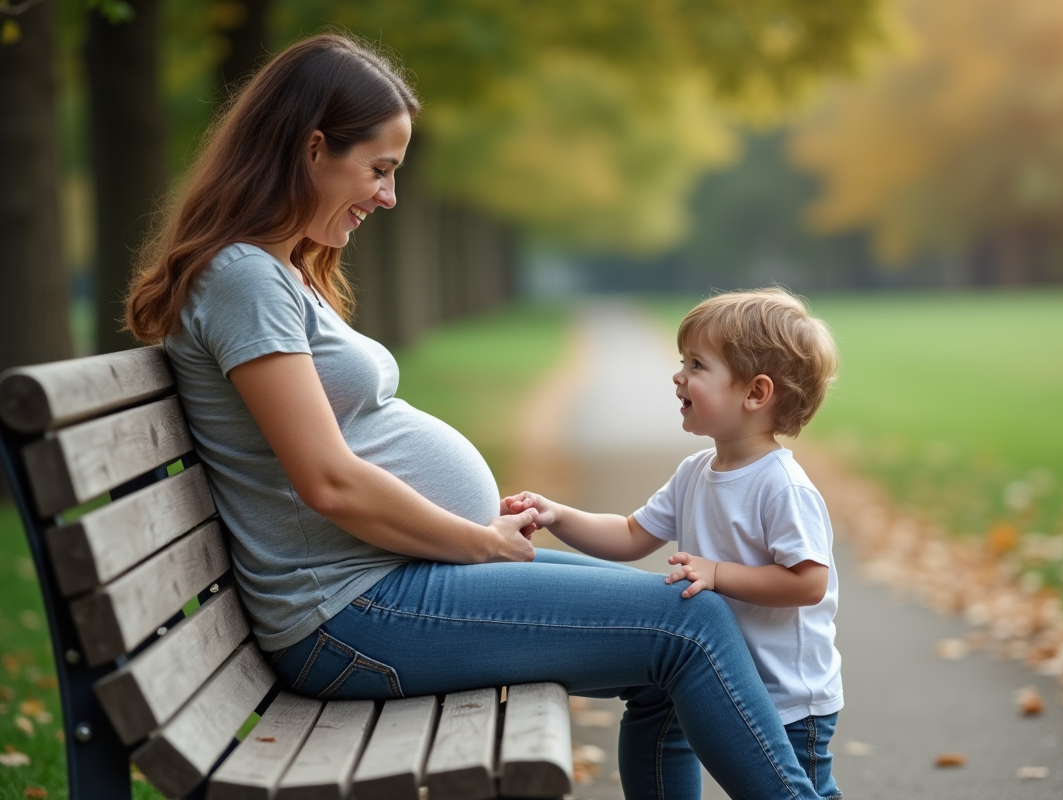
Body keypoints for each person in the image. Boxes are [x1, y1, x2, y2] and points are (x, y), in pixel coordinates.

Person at [122, 33, 818, 800]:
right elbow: (329, 484)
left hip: (382, 584)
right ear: (313, 148)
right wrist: (477, 542)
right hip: (349, 613)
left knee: (677, 632)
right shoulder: (246, 280)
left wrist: (474, 537)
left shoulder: (277, 272)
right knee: (693, 627)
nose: (387, 196)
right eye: (378, 169)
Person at [505, 288, 844, 800]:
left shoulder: (782, 486)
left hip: (789, 698)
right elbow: (629, 534)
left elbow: (809, 582)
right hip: (715, 679)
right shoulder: (694, 473)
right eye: (681, 361)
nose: (678, 375)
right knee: (662, 732)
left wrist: (717, 573)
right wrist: (559, 515)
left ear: (755, 393)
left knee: (798, 790)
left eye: (697, 365)